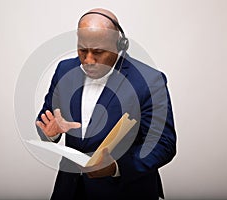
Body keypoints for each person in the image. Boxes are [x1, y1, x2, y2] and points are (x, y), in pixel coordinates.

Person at [36, 8, 176, 200]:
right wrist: (50, 134)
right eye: (82, 50)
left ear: (120, 45)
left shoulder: (150, 81)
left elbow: (163, 144)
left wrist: (115, 167)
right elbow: (46, 119)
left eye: (98, 52)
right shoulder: (64, 70)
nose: (88, 60)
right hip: (70, 190)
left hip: (126, 192)